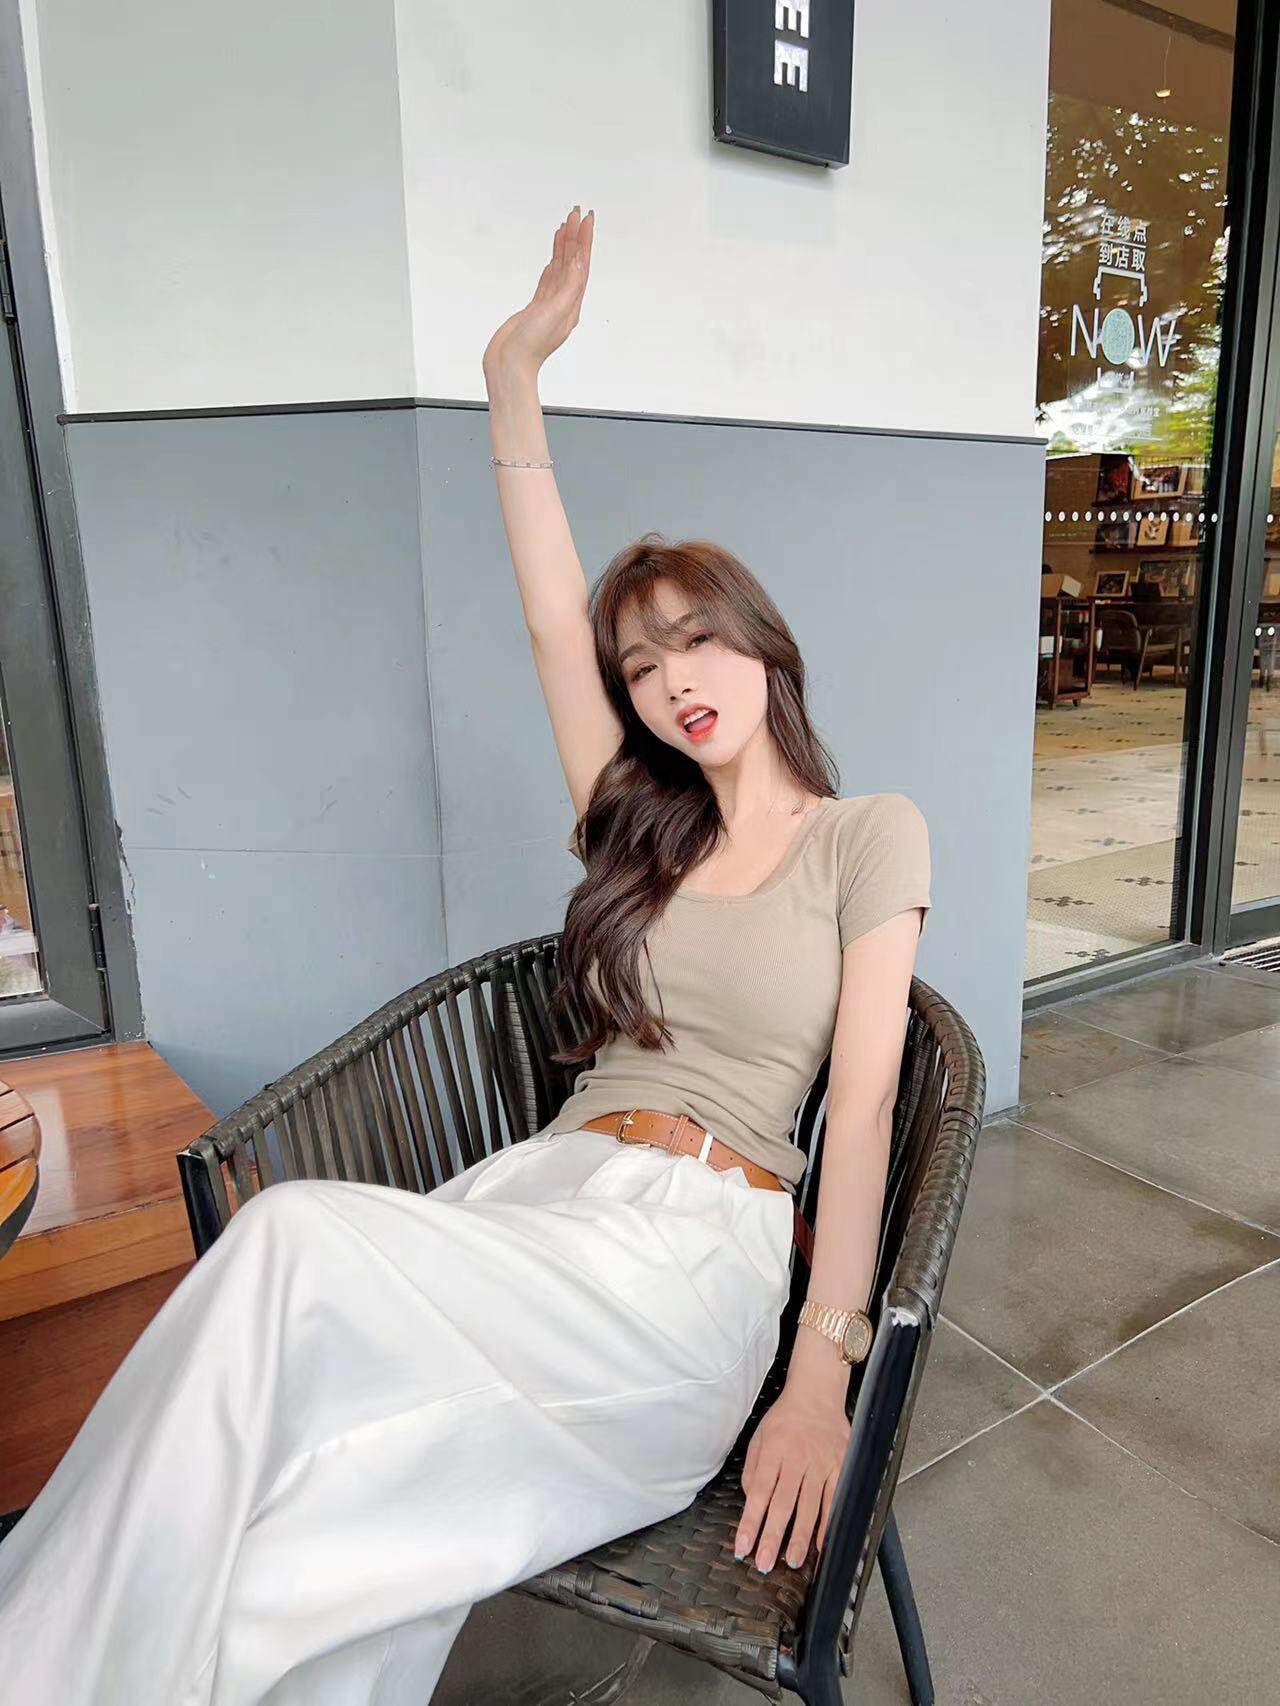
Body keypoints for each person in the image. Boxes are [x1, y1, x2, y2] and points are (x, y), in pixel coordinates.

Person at [0, 205, 931, 1705]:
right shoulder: (639, 822)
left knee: (286, 1246)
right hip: (544, 1201)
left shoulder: (870, 835)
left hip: (694, 1258)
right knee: (292, 1537)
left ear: (764, 645)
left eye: (698, 639)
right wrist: (512, 378)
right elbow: (555, 628)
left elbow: (868, 1109)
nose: (673, 680)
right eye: (644, 664)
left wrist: (822, 1377)